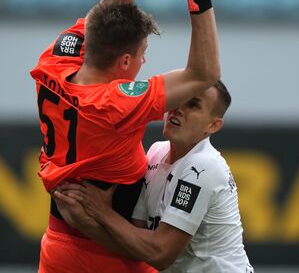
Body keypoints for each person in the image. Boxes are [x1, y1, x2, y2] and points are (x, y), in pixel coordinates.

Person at [30, 0, 220, 273]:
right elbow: (204, 73)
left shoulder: (55, 59)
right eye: (142, 57)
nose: (144, 63)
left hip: (57, 243)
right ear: (124, 62)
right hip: (108, 251)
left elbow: (107, 13)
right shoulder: (117, 103)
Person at [53, 81, 254, 273]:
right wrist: (83, 222)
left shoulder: (203, 166)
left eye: (193, 104)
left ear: (213, 126)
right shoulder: (156, 152)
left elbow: (161, 254)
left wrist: (101, 211)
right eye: (180, 98)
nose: (178, 109)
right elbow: (137, 244)